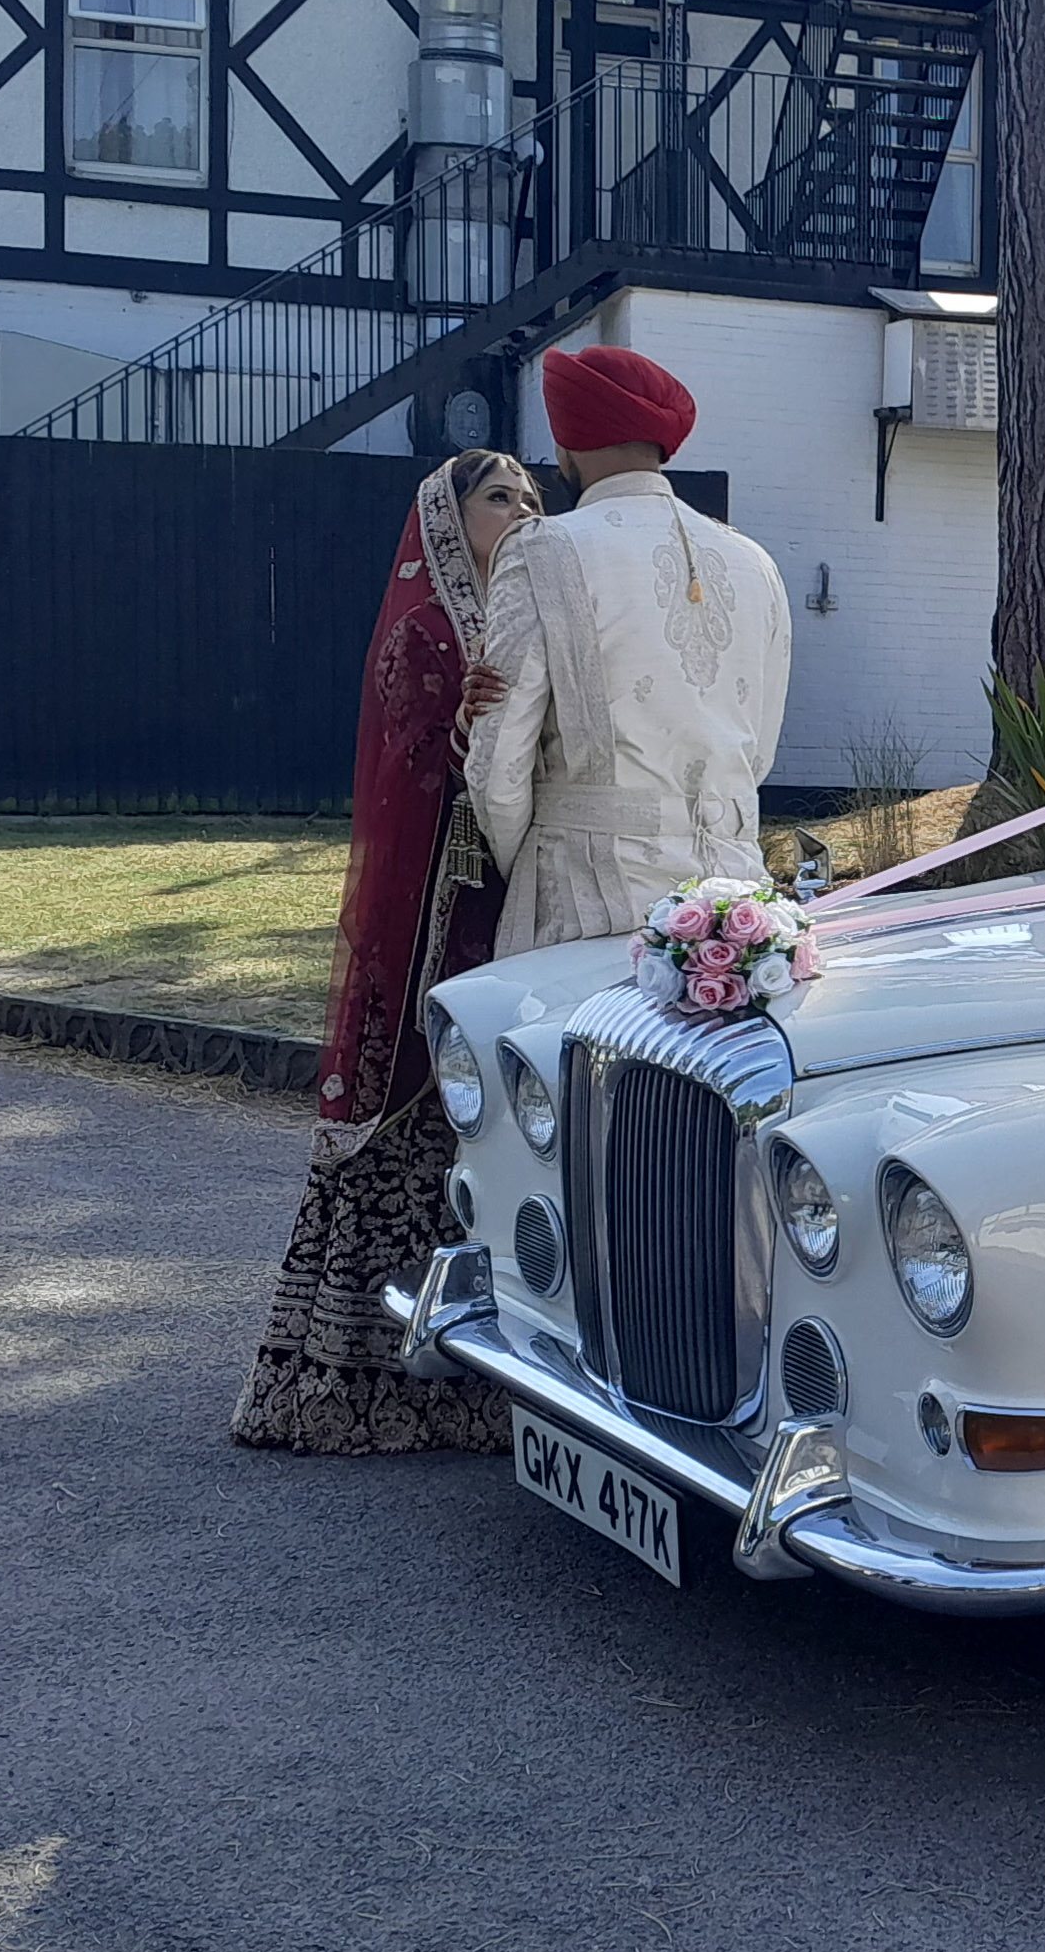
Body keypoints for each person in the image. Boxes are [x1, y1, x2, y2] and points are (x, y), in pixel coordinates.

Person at [232, 448, 542, 1456]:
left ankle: (473, 1382)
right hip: (428, 926)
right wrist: (466, 727)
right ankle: (347, 1380)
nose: (525, 510)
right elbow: (409, 766)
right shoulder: (424, 629)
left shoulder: (516, 624)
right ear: (451, 521)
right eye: (503, 497)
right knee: (413, 1128)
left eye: (536, 496)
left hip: (500, 914)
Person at [468, 344, 794, 952]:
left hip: (585, 894)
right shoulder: (756, 562)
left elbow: (499, 757)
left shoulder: (542, 548)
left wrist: (528, 861)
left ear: (566, 445)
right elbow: (759, 752)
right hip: (735, 901)